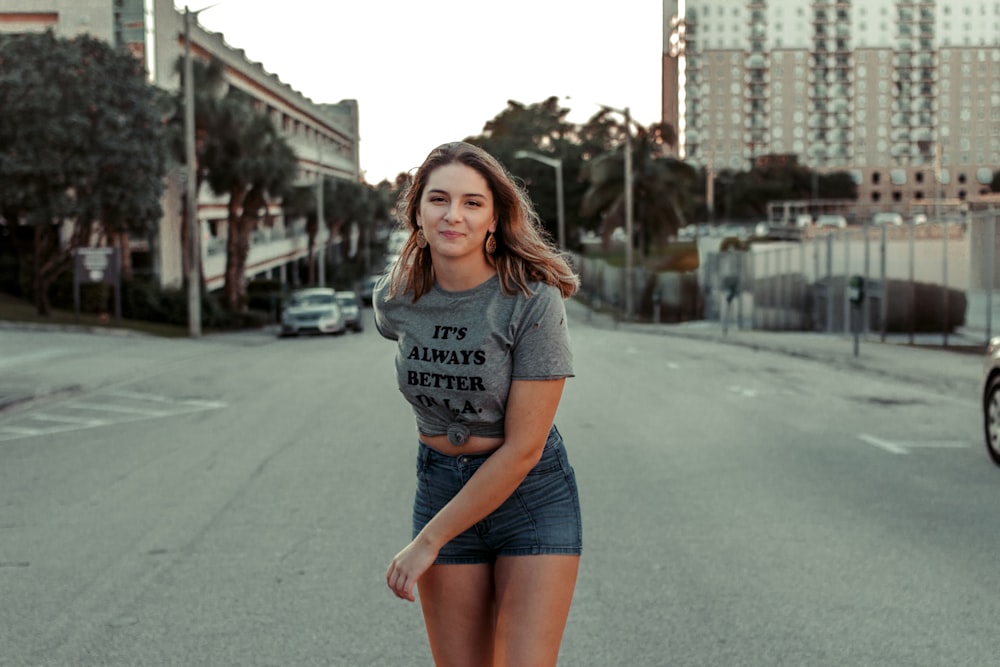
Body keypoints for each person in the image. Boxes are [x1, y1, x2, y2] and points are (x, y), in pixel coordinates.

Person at [373, 141, 581, 667]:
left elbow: (524, 449)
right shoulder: (395, 298)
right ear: (417, 213)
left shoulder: (531, 300)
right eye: (439, 200)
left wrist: (428, 541)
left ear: (494, 218)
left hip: (530, 497)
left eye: (472, 203)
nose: (453, 215)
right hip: (442, 482)